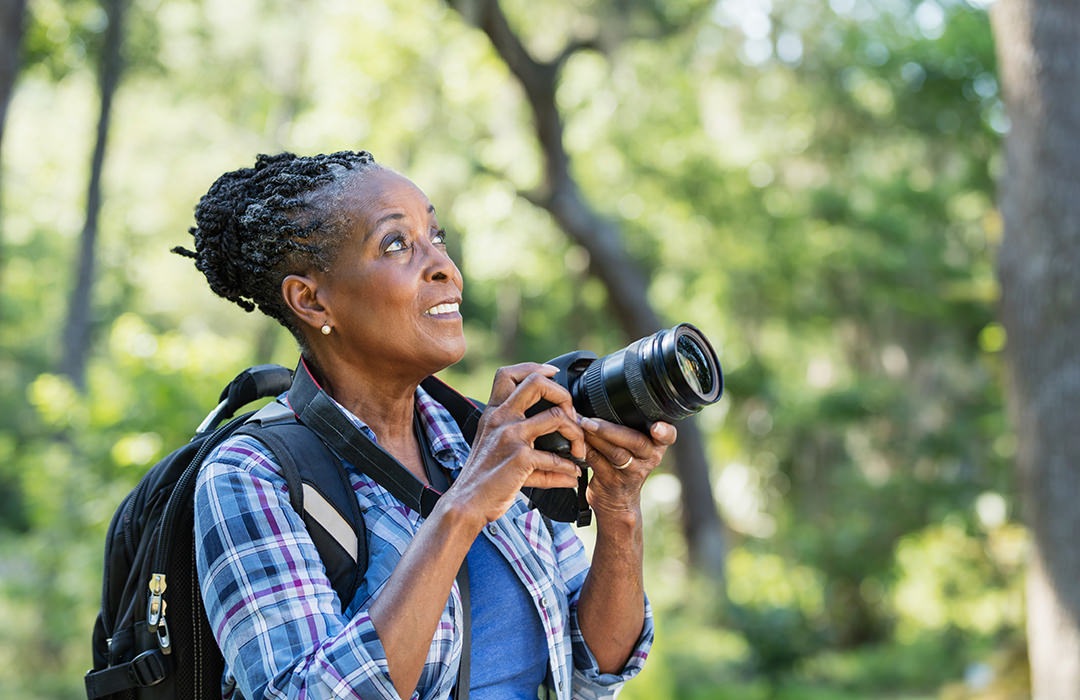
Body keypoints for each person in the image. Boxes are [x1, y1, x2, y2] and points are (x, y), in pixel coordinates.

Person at [174, 150, 677, 700]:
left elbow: (594, 669)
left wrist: (618, 509)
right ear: (311, 300)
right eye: (396, 244)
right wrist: (462, 508)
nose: (444, 267)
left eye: (437, 238)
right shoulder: (252, 475)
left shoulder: (484, 438)